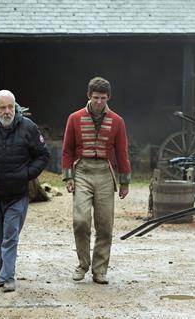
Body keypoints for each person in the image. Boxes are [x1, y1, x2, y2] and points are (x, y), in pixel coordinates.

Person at [0, 90, 49, 292]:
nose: (7, 111)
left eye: (10, 107)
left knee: (10, 236)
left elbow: (42, 154)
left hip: (17, 195)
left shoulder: (29, 128)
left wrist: (26, 174)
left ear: (15, 106)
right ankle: (3, 272)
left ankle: (8, 277)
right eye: (2, 107)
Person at [62, 76, 131, 284]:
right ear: (88, 96)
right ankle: (83, 264)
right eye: (95, 97)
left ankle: (99, 270)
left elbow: (122, 152)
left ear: (108, 97)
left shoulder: (117, 121)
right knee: (81, 220)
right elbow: (67, 149)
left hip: (104, 172)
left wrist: (125, 182)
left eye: (103, 97)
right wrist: (68, 177)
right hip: (82, 170)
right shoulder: (74, 118)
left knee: (105, 224)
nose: (99, 102)